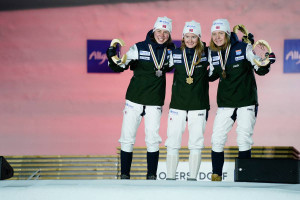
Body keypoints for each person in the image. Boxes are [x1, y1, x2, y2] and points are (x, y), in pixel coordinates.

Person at [106, 16, 175, 180]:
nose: (162, 35)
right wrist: (111, 56)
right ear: (154, 30)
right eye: (159, 31)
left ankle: (151, 176)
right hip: (134, 101)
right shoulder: (138, 48)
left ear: (169, 34)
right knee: (127, 139)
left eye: (166, 32)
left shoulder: (171, 52)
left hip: (154, 102)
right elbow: (120, 66)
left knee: (152, 139)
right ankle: (124, 175)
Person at [208, 19, 276, 181]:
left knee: (243, 138)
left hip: (246, 102)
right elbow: (211, 76)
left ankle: (245, 177)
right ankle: (216, 175)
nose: (217, 37)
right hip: (226, 103)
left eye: (220, 33)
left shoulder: (244, 47)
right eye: (214, 34)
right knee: (217, 138)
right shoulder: (213, 52)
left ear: (227, 33)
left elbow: (259, 69)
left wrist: (267, 62)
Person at [164, 20, 210, 181]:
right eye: (187, 36)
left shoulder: (207, 53)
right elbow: (160, 66)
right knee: (172, 143)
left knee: (196, 143)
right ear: (183, 37)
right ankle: (170, 178)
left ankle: (192, 179)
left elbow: (225, 52)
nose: (190, 40)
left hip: (199, 105)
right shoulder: (175, 53)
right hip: (177, 105)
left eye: (194, 37)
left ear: (199, 37)